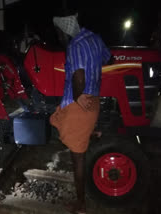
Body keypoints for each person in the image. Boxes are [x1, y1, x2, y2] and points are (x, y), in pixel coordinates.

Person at [50, 14, 111, 214]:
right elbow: (108, 58)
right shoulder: (95, 38)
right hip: (93, 102)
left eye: (59, 33)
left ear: (63, 31)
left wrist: (78, 95)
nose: (59, 37)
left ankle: (81, 205)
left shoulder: (74, 46)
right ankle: (88, 134)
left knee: (78, 158)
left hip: (79, 105)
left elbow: (78, 75)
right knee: (57, 121)